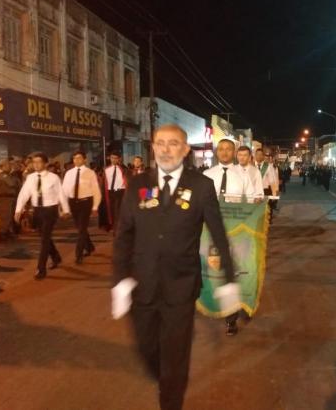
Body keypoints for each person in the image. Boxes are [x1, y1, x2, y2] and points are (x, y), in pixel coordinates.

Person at [112, 124, 236, 410]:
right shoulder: (138, 184)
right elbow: (124, 236)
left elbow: (218, 234)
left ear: (185, 149)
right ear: (152, 147)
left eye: (173, 143)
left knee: (176, 355)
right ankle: (165, 378)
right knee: (146, 349)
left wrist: (228, 280)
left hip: (181, 285)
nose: (166, 150)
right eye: (160, 143)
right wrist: (120, 281)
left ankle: (170, 400)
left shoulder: (201, 185)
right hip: (142, 284)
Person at [204, 139, 255, 336]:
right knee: (212, 269)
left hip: (237, 232)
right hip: (210, 232)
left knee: (236, 270)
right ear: (217, 152)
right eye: (221, 149)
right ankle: (214, 304)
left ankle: (232, 317)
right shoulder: (207, 175)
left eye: (229, 149)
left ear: (234, 152)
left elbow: (251, 200)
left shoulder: (243, 175)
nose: (225, 152)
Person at [15, 153, 70, 280]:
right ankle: (56, 257)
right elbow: (24, 194)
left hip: (50, 211)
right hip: (37, 211)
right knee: (45, 237)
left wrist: (66, 209)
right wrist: (19, 210)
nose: (36, 164)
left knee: (44, 239)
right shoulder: (31, 178)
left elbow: (61, 194)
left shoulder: (54, 178)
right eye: (34, 162)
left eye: (39, 162)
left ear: (45, 163)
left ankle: (41, 269)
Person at [62, 151, 102, 264]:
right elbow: (64, 190)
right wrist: (64, 206)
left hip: (86, 202)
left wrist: (95, 207)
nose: (76, 160)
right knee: (80, 228)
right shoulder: (69, 173)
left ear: (84, 159)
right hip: (73, 202)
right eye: (74, 158)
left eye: (79, 158)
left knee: (82, 228)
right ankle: (90, 247)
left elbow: (96, 191)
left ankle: (78, 254)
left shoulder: (90, 173)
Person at [0, 159, 21, 241]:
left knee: (9, 217)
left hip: (9, 198)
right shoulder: (0, 175)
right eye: (8, 165)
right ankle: (3, 234)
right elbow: (11, 183)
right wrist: (12, 175)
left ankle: (7, 233)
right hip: (4, 199)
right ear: (3, 166)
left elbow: (18, 183)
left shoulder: (7, 174)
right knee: (5, 217)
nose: (10, 166)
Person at [103, 152, 127, 233]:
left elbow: (126, 181)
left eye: (116, 158)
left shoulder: (123, 169)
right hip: (110, 192)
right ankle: (114, 226)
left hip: (120, 192)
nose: (114, 160)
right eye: (112, 158)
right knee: (111, 211)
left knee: (117, 210)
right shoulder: (106, 170)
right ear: (110, 158)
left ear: (119, 159)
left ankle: (116, 230)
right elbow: (104, 183)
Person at [255, 149, 279, 223]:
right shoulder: (250, 166)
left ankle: (267, 221)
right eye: (257, 154)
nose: (259, 156)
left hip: (265, 190)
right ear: (255, 155)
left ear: (263, 156)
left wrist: (274, 194)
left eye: (260, 154)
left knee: (267, 208)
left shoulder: (268, 166)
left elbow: (272, 181)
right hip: (253, 191)